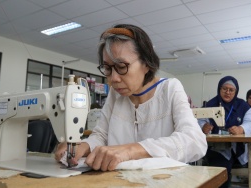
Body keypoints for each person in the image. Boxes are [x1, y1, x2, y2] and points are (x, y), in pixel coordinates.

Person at [55, 24, 207, 171]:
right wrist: (85, 146)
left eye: (121, 67)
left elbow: (195, 142)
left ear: (146, 63)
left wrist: (130, 150)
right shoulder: (116, 95)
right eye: (107, 68)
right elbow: (101, 136)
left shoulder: (170, 88)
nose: (113, 78)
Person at [199, 76, 251, 188]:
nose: (228, 92)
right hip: (218, 148)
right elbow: (199, 121)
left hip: (244, 146)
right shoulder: (209, 105)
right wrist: (203, 127)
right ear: (219, 89)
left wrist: (242, 129)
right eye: (224, 89)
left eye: (231, 90)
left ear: (236, 91)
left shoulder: (242, 105)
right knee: (220, 176)